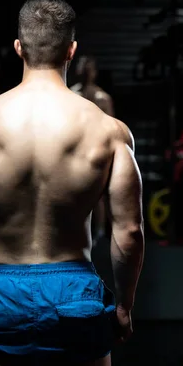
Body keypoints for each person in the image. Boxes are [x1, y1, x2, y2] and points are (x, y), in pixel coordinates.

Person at [0, 0, 145, 366]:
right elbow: (130, 230)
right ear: (71, 50)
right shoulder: (108, 132)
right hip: (73, 292)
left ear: (18, 48)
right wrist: (124, 305)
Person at [70, 55, 115, 245]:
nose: (86, 72)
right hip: (74, 149)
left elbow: (112, 127)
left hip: (95, 150)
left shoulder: (102, 98)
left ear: (95, 72)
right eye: (83, 68)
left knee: (98, 194)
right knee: (74, 192)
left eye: (90, 68)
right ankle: (76, 231)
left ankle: (99, 231)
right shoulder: (71, 95)